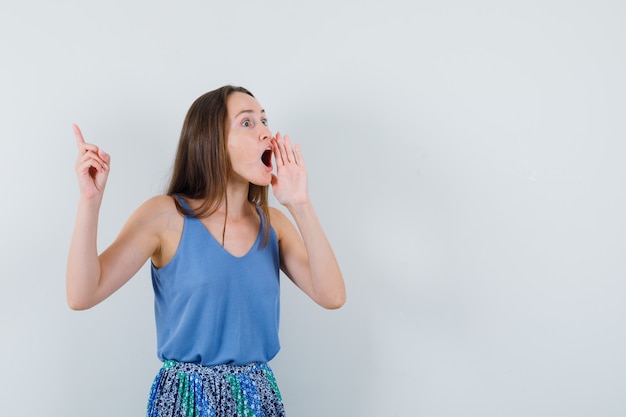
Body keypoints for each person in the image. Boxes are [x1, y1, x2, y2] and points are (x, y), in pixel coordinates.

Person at [66, 85, 346, 416]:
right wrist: (90, 201)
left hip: (256, 401)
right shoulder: (164, 216)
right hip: (185, 401)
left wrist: (300, 204)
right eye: (247, 123)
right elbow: (82, 295)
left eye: (264, 120)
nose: (266, 133)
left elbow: (332, 296)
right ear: (211, 140)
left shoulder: (273, 224)